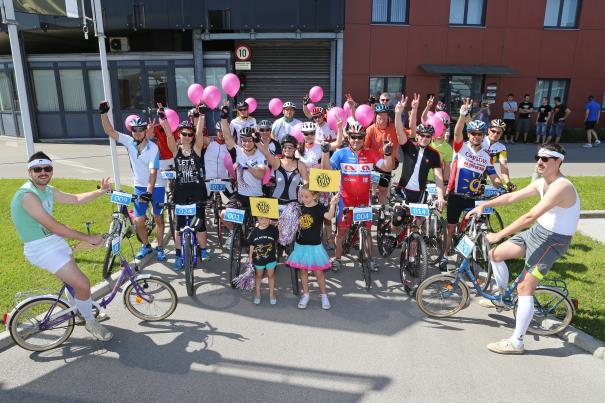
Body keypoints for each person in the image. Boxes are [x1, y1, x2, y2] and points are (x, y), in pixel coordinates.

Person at [467, 143, 579, 354]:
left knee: (524, 288)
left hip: (553, 241)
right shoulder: (542, 183)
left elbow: (529, 216)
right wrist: (484, 205)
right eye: (538, 157)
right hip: (538, 232)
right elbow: (511, 197)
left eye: (545, 159)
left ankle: (517, 342)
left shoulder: (561, 186)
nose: (539, 162)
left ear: (558, 162)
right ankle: (501, 298)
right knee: (495, 254)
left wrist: (499, 235)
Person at [10, 151, 113, 341]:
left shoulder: (48, 190)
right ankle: (90, 321)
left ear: (51, 171)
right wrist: (88, 237)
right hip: (41, 248)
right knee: (82, 284)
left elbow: (75, 199)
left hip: (52, 242)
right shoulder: (27, 196)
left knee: (73, 281)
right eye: (37, 169)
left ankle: (81, 311)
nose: (43, 172)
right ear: (29, 172)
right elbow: (55, 227)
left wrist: (100, 191)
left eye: (47, 169)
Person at [322, 121, 395, 272]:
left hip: (363, 201)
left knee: (368, 231)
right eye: (353, 137)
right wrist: (324, 152)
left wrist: (388, 153)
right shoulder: (341, 153)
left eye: (360, 137)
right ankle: (338, 259)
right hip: (345, 200)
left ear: (363, 138)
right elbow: (326, 169)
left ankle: (369, 259)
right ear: (348, 137)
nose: (356, 140)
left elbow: (387, 167)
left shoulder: (370, 153)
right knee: (341, 231)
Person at [100, 101, 167, 261]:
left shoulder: (153, 148)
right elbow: (110, 131)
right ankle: (146, 246)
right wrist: (103, 113)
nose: (137, 132)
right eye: (134, 130)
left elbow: (153, 173)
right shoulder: (129, 141)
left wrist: (149, 193)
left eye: (140, 130)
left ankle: (160, 247)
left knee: (158, 218)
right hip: (139, 185)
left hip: (156, 186)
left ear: (145, 131)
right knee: (138, 221)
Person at [444, 99, 502, 264]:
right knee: (451, 228)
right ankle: (446, 253)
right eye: (473, 134)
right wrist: (462, 116)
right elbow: (456, 133)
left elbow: (493, 176)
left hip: (473, 197)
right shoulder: (461, 147)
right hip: (456, 194)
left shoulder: (486, 156)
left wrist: (502, 186)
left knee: (471, 230)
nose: (476, 136)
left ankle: (462, 259)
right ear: (469, 135)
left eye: (480, 134)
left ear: (483, 136)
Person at [160, 105, 212, 270]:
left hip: (197, 190)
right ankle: (177, 255)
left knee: (200, 223)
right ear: (180, 135)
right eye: (184, 134)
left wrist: (202, 116)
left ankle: (203, 250)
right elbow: (168, 134)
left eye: (190, 134)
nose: (188, 137)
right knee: (179, 225)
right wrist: (163, 119)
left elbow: (199, 134)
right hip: (180, 191)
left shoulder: (197, 149)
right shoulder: (176, 151)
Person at [285, 185, 339, 310]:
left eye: (306, 196)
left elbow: (329, 217)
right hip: (300, 246)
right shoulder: (298, 208)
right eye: (302, 196)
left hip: (315, 247)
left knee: (318, 273)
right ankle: (306, 294)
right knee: (303, 272)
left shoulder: (319, 208)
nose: (303, 199)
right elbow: (290, 222)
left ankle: (324, 295)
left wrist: (332, 204)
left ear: (315, 196)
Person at [219, 104, 267, 238]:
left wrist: (247, 167)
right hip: (240, 196)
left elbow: (261, 174)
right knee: (223, 215)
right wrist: (223, 118)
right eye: (244, 141)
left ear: (254, 141)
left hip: (256, 196)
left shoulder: (260, 155)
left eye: (250, 141)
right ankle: (235, 234)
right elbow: (228, 137)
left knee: (264, 225)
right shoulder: (238, 152)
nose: (246, 143)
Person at [394, 93, 446, 208]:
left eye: (428, 136)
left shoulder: (434, 154)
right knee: (398, 220)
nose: (424, 138)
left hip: (421, 193)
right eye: (422, 135)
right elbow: (399, 131)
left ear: (431, 138)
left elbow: (438, 177)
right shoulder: (409, 146)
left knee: (420, 222)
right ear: (417, 136)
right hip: (403, 190)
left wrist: (441, 196)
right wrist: (398, 114)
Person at [297, 120, 343, 250]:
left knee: (325, 213)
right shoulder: (298, 149)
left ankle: (329, 238)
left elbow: (338, 143)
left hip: (322, 185)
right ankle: (306, 236)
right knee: (307, 214)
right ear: (302, 134)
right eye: (306, 133)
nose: (309, 135)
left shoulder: (321, 145)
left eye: (311, 133)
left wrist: (339, 128)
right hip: (306, 187)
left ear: (315, 133)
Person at [259, 134, 309, 205]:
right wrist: (257, 142)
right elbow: (266, 154)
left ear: (295, 149)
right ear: (282, 148)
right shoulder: (276, 162)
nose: (287, 149)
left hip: (293, 204)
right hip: (275, 202)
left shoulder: (301, 165)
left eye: (290, 147)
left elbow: (307, 184)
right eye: (285, 147)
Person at [365, 103, 400, 204]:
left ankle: (381, 212)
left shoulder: (394, 128)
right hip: (374, 166)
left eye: (384, 114)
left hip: (387, 165)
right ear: (375, 116)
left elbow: (410, 134)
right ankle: (369, 210)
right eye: (379, 114)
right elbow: (365, 148)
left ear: (388, 116)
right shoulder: (370, 129)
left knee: (383, 191)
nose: (382, 117)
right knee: (370, 192)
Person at [247, 216, 279, 305]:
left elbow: (277, 241)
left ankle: (271, 294)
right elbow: (252, 245)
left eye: (266, 218)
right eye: (261, 218)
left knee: (271, 276)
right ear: (257, 219)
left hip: (271, 259)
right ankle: (257, 294)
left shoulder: (274, 230)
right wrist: (250, 257)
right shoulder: (254, 231)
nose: (264, 221)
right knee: (258, 276)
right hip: (258, 259)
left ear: (270, 219)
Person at [204, 121, 235, 197]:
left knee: (231, 202)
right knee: (205, 205)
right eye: (219, 131)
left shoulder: (231, 147)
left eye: (223, 131)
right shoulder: (209, 144)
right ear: (216, 131)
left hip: (225, 180)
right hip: (209, 180)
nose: (221, 134)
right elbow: (197, 136)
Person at [483, 119, 515, 190]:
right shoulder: (480, 140)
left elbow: (503, 166)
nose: (495, 134)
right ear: (488, 130)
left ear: (501, 134)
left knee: (500, 189)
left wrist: (508, 182)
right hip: (473, 170)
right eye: (493, 131)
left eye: (498, 132)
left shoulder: (501, 147)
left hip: (488, 171)